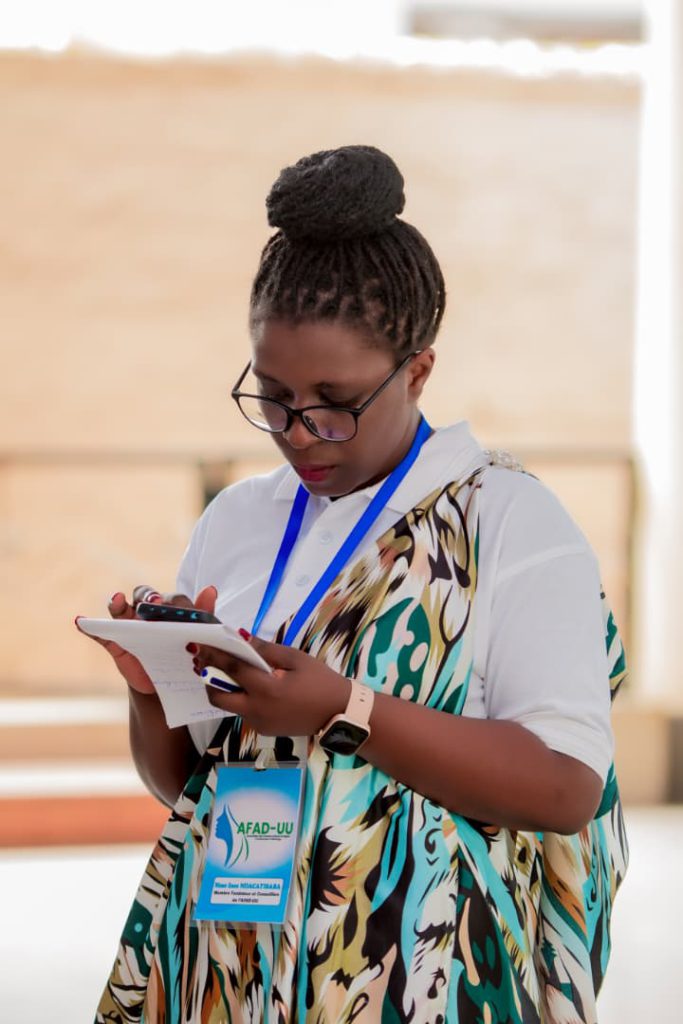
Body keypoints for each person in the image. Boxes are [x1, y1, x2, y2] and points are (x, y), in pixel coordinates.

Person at [85, 145, 627, 1024]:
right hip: (228, 968)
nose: (299, 432)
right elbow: (186, 784)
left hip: (416, 983)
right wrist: (153, 691)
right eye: (272, 397)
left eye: (333, 402)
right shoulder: (237, 519)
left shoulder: (506, 520)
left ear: (416, 371)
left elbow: (565, 788)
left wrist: (345, 708)